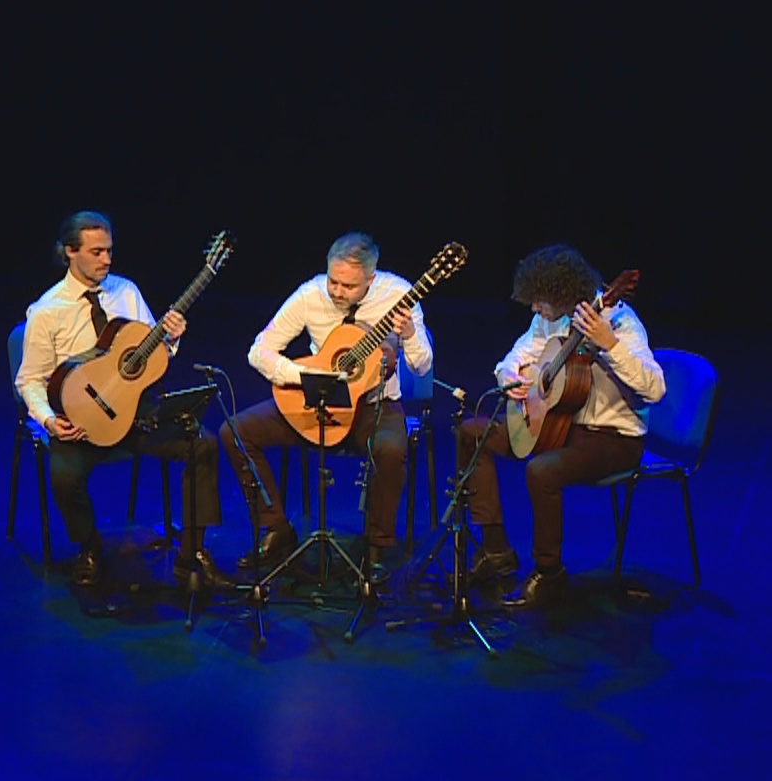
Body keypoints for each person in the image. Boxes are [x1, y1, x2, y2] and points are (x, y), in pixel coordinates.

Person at [13, 211, 231, 590]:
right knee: (64, 475)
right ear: (70, 252)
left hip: (134, 412)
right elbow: (30, 380)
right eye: (96, 252)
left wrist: (170, 337)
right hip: (80, 419)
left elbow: (148, 356)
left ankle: (191, 554)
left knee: (204, 443)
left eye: (109, 251)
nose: (106, 260)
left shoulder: (125, 292)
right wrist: (49, 420)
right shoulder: (46, 311)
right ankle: (90, 547)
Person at [456, 244, 665, 608]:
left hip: (612, 439)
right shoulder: (549, 320)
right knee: (472, 432)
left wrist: (609, 344)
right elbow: (513, 358)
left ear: (562, 293)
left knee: (542, 472)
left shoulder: (620, 322)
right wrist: (513, 377)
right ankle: (496, 550)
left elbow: (655, 388)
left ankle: (550, 573)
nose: (535, 308)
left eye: (540, 301)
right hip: (561, 425)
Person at [217, 232, 432, 583]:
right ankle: (276, 529)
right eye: (333, 280)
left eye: (348, 285)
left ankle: (376, 548)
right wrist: (305, 375)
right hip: (315, 403)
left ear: (370, 279)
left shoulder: (399, 295)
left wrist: (408, 334)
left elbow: (423, 366)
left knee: (392, 450)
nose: (336, 291)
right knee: (234, 431)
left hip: (373, 407)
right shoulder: (310, 295)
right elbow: (259, 351)